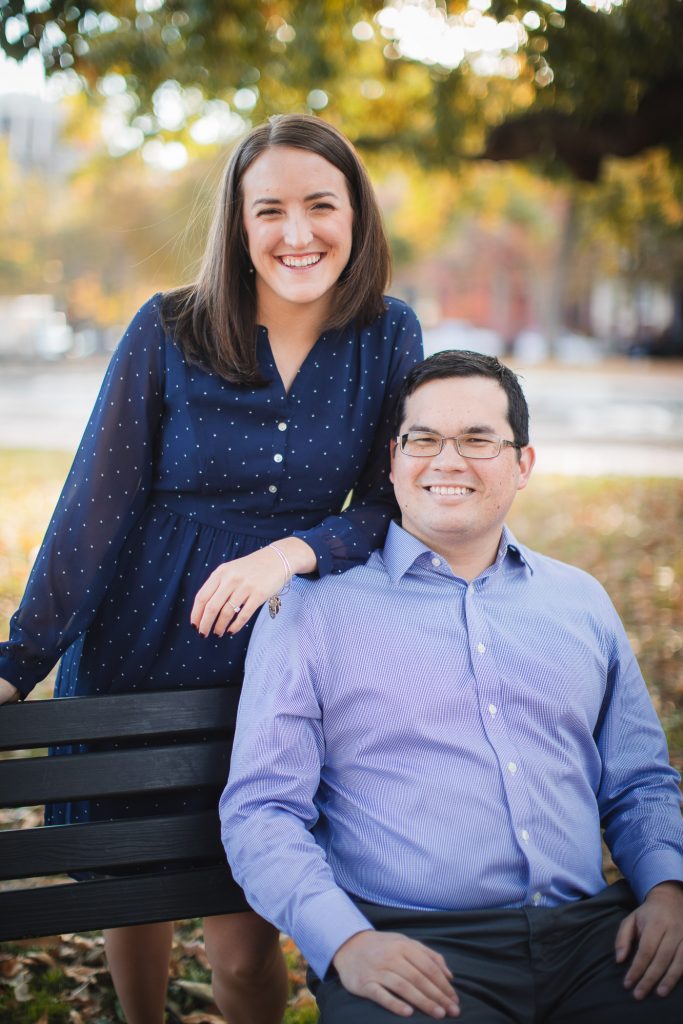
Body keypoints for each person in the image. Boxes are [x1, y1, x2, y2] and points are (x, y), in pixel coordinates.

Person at [0, 114, 423, 1024]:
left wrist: (296, 549)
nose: (296, 232)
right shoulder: (168, 328)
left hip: (283, 665)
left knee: (243, 940)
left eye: (320, 205)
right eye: (268, 209)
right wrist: (15, 660)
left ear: (356, 216)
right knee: (131, 897)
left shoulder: (387, 336)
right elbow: (95, 506)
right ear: (236, 223)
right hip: (141, 642)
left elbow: (397, 502)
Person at [221, 350, 683, 1024]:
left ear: (522, 464)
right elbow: (261, 810)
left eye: (477, 440)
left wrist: (667, 891)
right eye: (424, 439)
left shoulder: (579, 601)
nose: (447, 460)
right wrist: (345, 942)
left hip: (599, 942)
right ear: (392, 459)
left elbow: (639, 781)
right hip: (412, 950)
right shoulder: (309, 612)